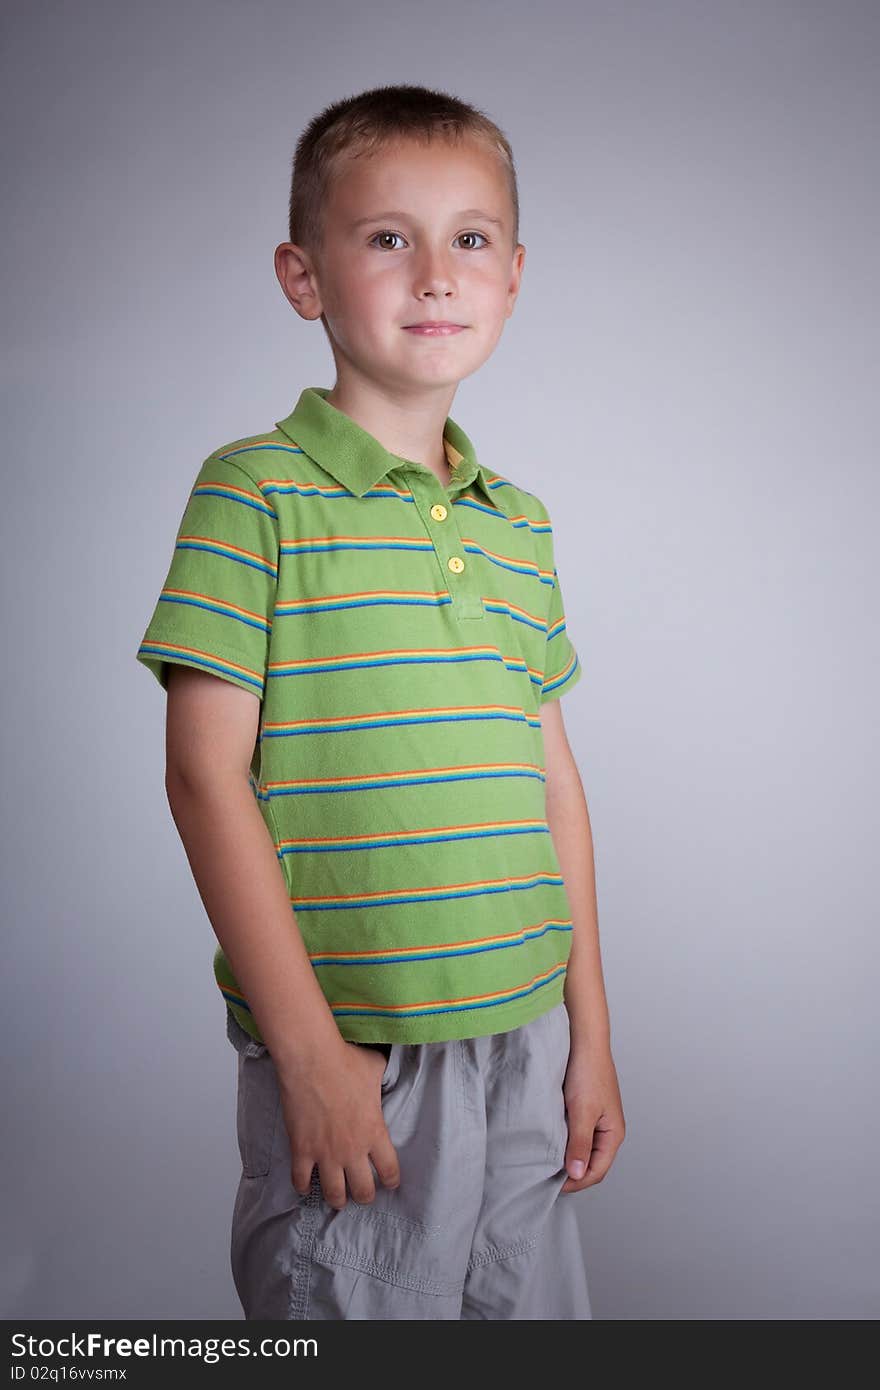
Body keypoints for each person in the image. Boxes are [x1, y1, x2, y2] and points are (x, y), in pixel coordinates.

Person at [135, 82, 625, 1321]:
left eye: (468, 239)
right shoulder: (257, 494)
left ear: (513, 274)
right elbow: (204, 776)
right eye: (386, 238)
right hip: (361, 1045)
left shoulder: (519, 524)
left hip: (522, 1039)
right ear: (304, 278)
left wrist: (592, 1033)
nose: (434, 275)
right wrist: (306, 1053)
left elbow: (551, 780)